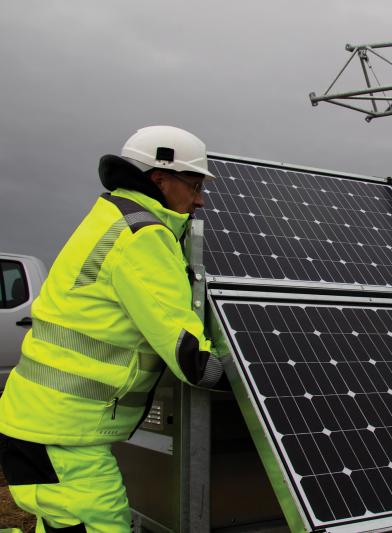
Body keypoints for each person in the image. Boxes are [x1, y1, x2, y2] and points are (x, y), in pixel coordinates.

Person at [0, 125, 225, 532]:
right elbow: (188, 356)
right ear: (160, 179)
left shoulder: (110, 216)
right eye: (193, 185)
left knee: (63, 522)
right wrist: (262, 381)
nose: (200, 199)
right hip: (61, 433)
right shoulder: (143, 236)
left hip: (40, 421)